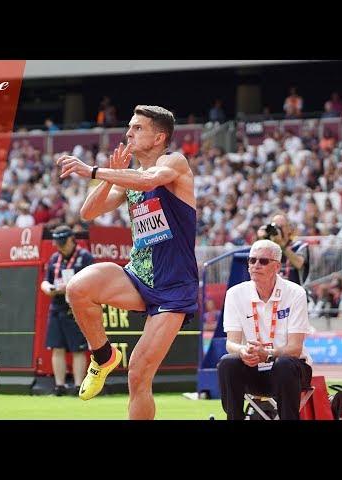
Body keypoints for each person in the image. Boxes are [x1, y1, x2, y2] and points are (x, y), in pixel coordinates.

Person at [56, 105, 198, 419]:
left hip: (173, 287)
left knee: (137, 375)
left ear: (159, 136)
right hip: (137, 276)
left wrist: (92, 170)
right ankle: (104, 356)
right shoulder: (127, 178)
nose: (128, 133)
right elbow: (88, 213)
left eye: (137, 128)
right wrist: (106, 179)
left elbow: (150, 181)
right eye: (129, 127)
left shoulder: (173, 162)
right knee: (78, 288)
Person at [217, 239, 313, 420]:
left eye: (263, 261)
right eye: (252, 260)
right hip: (253, 369)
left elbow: (295, 348)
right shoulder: (235, 293)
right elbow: (231, 343)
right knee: (228, 362)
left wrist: (267, 354)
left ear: (277, 266)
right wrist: (243, 351)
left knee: (284, 363)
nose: (255, 265)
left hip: (291, 371)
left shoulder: (295, 292)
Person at [40, 225, 93, 396]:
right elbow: (45, 281)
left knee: (78, 348)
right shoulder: (55, 258)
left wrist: (70, 287)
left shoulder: (84, 257)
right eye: (57, 243)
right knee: (57, 347)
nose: (59, 246)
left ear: (72, 239)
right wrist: (48, 287)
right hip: (56, 306)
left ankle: (79, 386)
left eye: (63, 243)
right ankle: (59, 386)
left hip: (76, 308)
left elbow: (91, 282)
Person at [257, 213, 309, 286]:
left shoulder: (299, 246)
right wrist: (261, 239)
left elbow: (299, 263)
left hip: (294, 292)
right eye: (275, 227)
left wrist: (281, 244)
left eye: (281, 227)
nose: (278, 230)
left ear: (289, 229)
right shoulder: (269, 247)